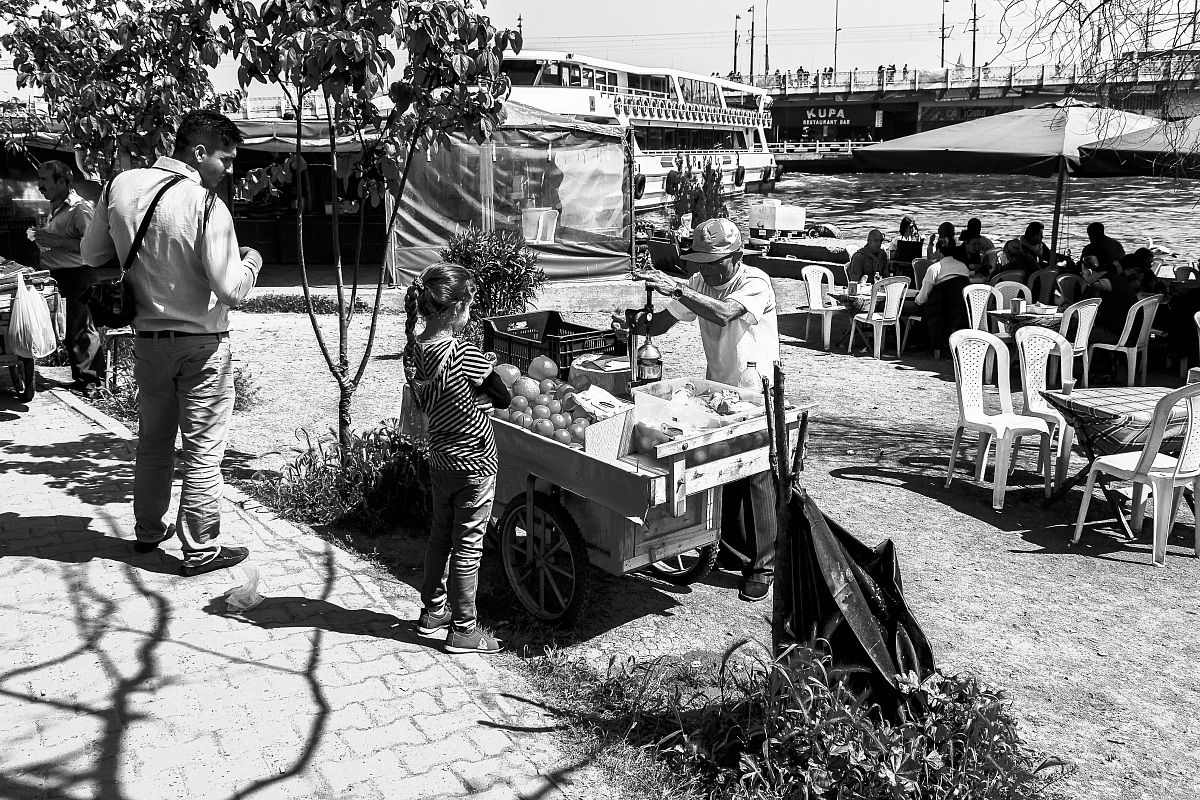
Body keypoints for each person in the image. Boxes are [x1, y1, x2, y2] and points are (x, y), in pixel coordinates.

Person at [81, 109, 263, 576]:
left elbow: (91, 253)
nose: (228, 169)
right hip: (202, 346)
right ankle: (201, 548)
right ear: (199, 153)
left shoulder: (120, 186)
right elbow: (230, 291)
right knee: (203, 450)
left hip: (148, 342)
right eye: (225, 158)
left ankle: (147, 531)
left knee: (154, 441)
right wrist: (252, 263)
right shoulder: (207, 206)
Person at [625, 218, 780, 603]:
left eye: (716, 263)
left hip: (756, 390)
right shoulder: (698, 283)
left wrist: (677, 285)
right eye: (702, 262)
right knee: (722, 467)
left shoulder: (755, 283)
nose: (707, 270)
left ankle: (764, 565)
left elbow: (725, 313)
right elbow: (665, 321)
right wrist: (635, 323)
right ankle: (732, 547)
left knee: (757, 473)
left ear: (738, 256)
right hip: (718, 388)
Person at [404, 263, 512, 655]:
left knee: (440, 537)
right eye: (470, 305)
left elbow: (445, 395)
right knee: (468, 546)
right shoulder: (463, 353)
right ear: (455, 309)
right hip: (475, 464)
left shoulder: (419, 347)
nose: (471, 312)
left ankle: (433, 611)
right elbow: (502, 396)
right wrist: (490, 367)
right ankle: (465, 630)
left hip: (441, 460)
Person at [33, 161, 102, 395]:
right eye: (39, 180)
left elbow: (93, 246)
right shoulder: (57, 207)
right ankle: (82, 378)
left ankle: (92, 383)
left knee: (81, 327)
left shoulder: (79, 209)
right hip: (59, 275)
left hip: (77, 275)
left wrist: (55, 242)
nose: (39, 185)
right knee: (69, 326)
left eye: (44, 180)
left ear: (62, 181)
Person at [915, 230, 971, 356]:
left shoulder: (934, 269)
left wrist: (915, 300)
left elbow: (922, 298)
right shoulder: (963, 267)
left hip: (939, 313)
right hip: (960, 311)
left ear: (939, 252)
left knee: (918, 305)